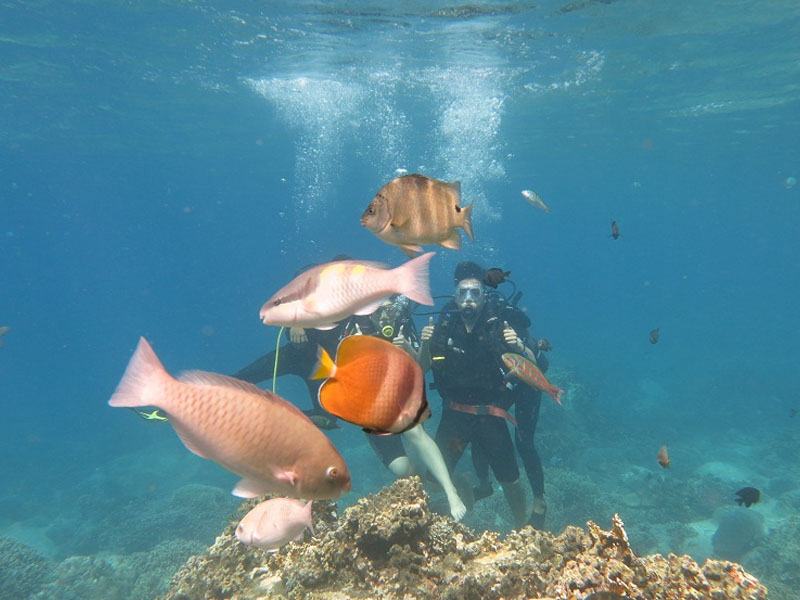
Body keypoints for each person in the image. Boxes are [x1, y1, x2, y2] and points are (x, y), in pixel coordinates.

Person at [233, 289, 467, 521]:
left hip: (395, 396)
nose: (385, 318)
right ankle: (426, 485)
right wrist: (295, 323)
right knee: (402, 470)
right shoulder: (352, 321)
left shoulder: (403, 326)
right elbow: (316, 307)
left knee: (416, 433)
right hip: (368, 407)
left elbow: (421, 367)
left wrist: (419, 345)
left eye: (390, 311)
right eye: (379, 311)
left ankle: (451, 492)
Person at [417, 261, 546, 529]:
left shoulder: (498, 324)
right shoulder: (445, 324)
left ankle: (521, 528)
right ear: (455, 295)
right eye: (462, 293)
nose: (468, 299)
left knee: (510, 480)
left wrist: (518, 345)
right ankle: (463, 486)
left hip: (491, 415)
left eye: (475, 292)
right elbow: (422, 368)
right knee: (433, 482)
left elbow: (533, 367)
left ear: (484, 295)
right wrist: (425, 344)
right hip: (455, 415)